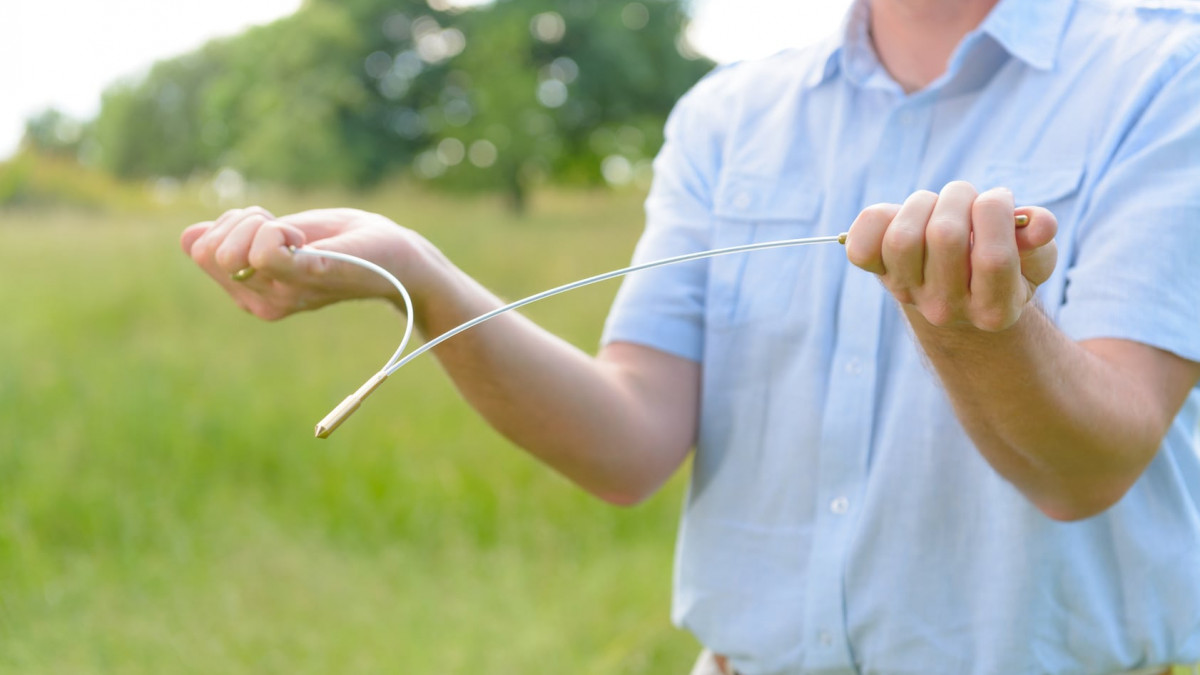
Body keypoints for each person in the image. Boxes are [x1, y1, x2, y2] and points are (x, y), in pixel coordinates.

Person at [182, 0, 1200, 672]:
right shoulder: (729, 114)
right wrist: (420, 276)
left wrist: (977, 331)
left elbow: (1087, 468)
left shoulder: (1171, 73)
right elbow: (627, 444)